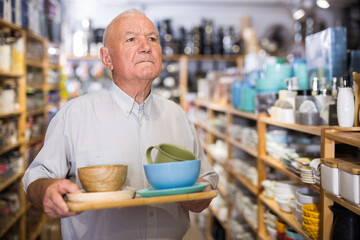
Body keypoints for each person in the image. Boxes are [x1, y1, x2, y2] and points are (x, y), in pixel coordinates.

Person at [22, 9, 218, 240]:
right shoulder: (75, 115)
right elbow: (35, 178)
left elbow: (205, 181)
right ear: (107, 58)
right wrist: (46, 190)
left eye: (152, 38)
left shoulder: (177, 116)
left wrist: (199, 192)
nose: (145, 46)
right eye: (131, 39)